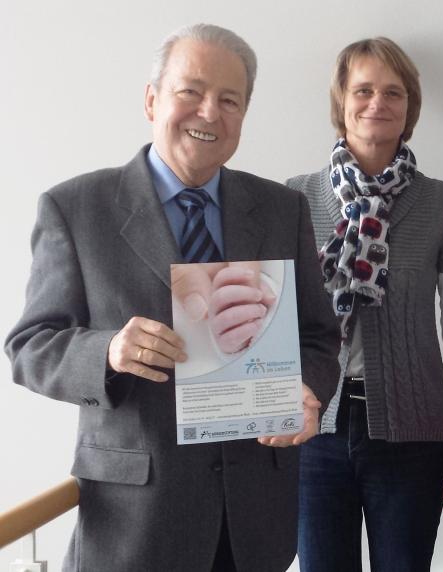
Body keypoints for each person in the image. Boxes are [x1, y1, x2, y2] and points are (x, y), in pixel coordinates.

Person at [4, 23, 340, 572]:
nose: (209, 112)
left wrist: (308, 390)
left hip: (255, 517)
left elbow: (320, 337)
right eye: (192, 91)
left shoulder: (282, 209)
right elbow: (30, 347)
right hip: (135, 518)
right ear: (152, 99)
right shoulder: (76, 207)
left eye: (229, 100)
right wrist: (108, 351)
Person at [286, 37, 443, 571]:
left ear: (409, 109)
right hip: (312, 432)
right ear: (342, 102)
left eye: (392, 92)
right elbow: (274, 323)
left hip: (411, 434)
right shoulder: (294, 199)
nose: (377, 103)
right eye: (364, 89)